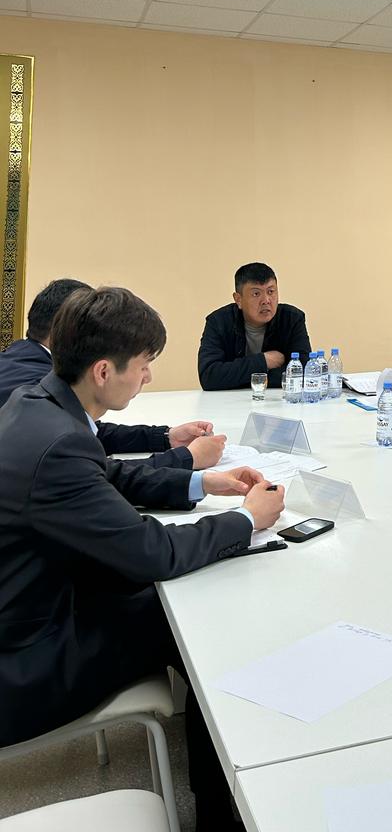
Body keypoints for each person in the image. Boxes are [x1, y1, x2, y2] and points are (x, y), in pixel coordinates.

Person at [0, 286, 284, 830]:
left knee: (174, 605)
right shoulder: (58, 440)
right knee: (196, 621)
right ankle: (220, 811)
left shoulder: (40, 404)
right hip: (27, 660)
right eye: (144, 364)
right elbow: (153, 553)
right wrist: (247, 520)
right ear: (104, 371)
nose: (149, 376)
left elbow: (105, 474)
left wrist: (200, 481)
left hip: (37, 604)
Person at [0, 278, 225, 470]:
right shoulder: (33, 385)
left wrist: (165, 437)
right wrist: (186, 458)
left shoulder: (23, 360)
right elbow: (93, 471)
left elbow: (91, 431)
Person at [198, 261, 311, 390]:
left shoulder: (292, 319)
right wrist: (263, 361)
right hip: (230, 401)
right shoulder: (218, 322)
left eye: (271, 291)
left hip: (277, 400)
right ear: (238, 299)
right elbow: (208, 376)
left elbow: (303, 373)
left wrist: (240, 377)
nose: (266, 300)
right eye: (256, 294)